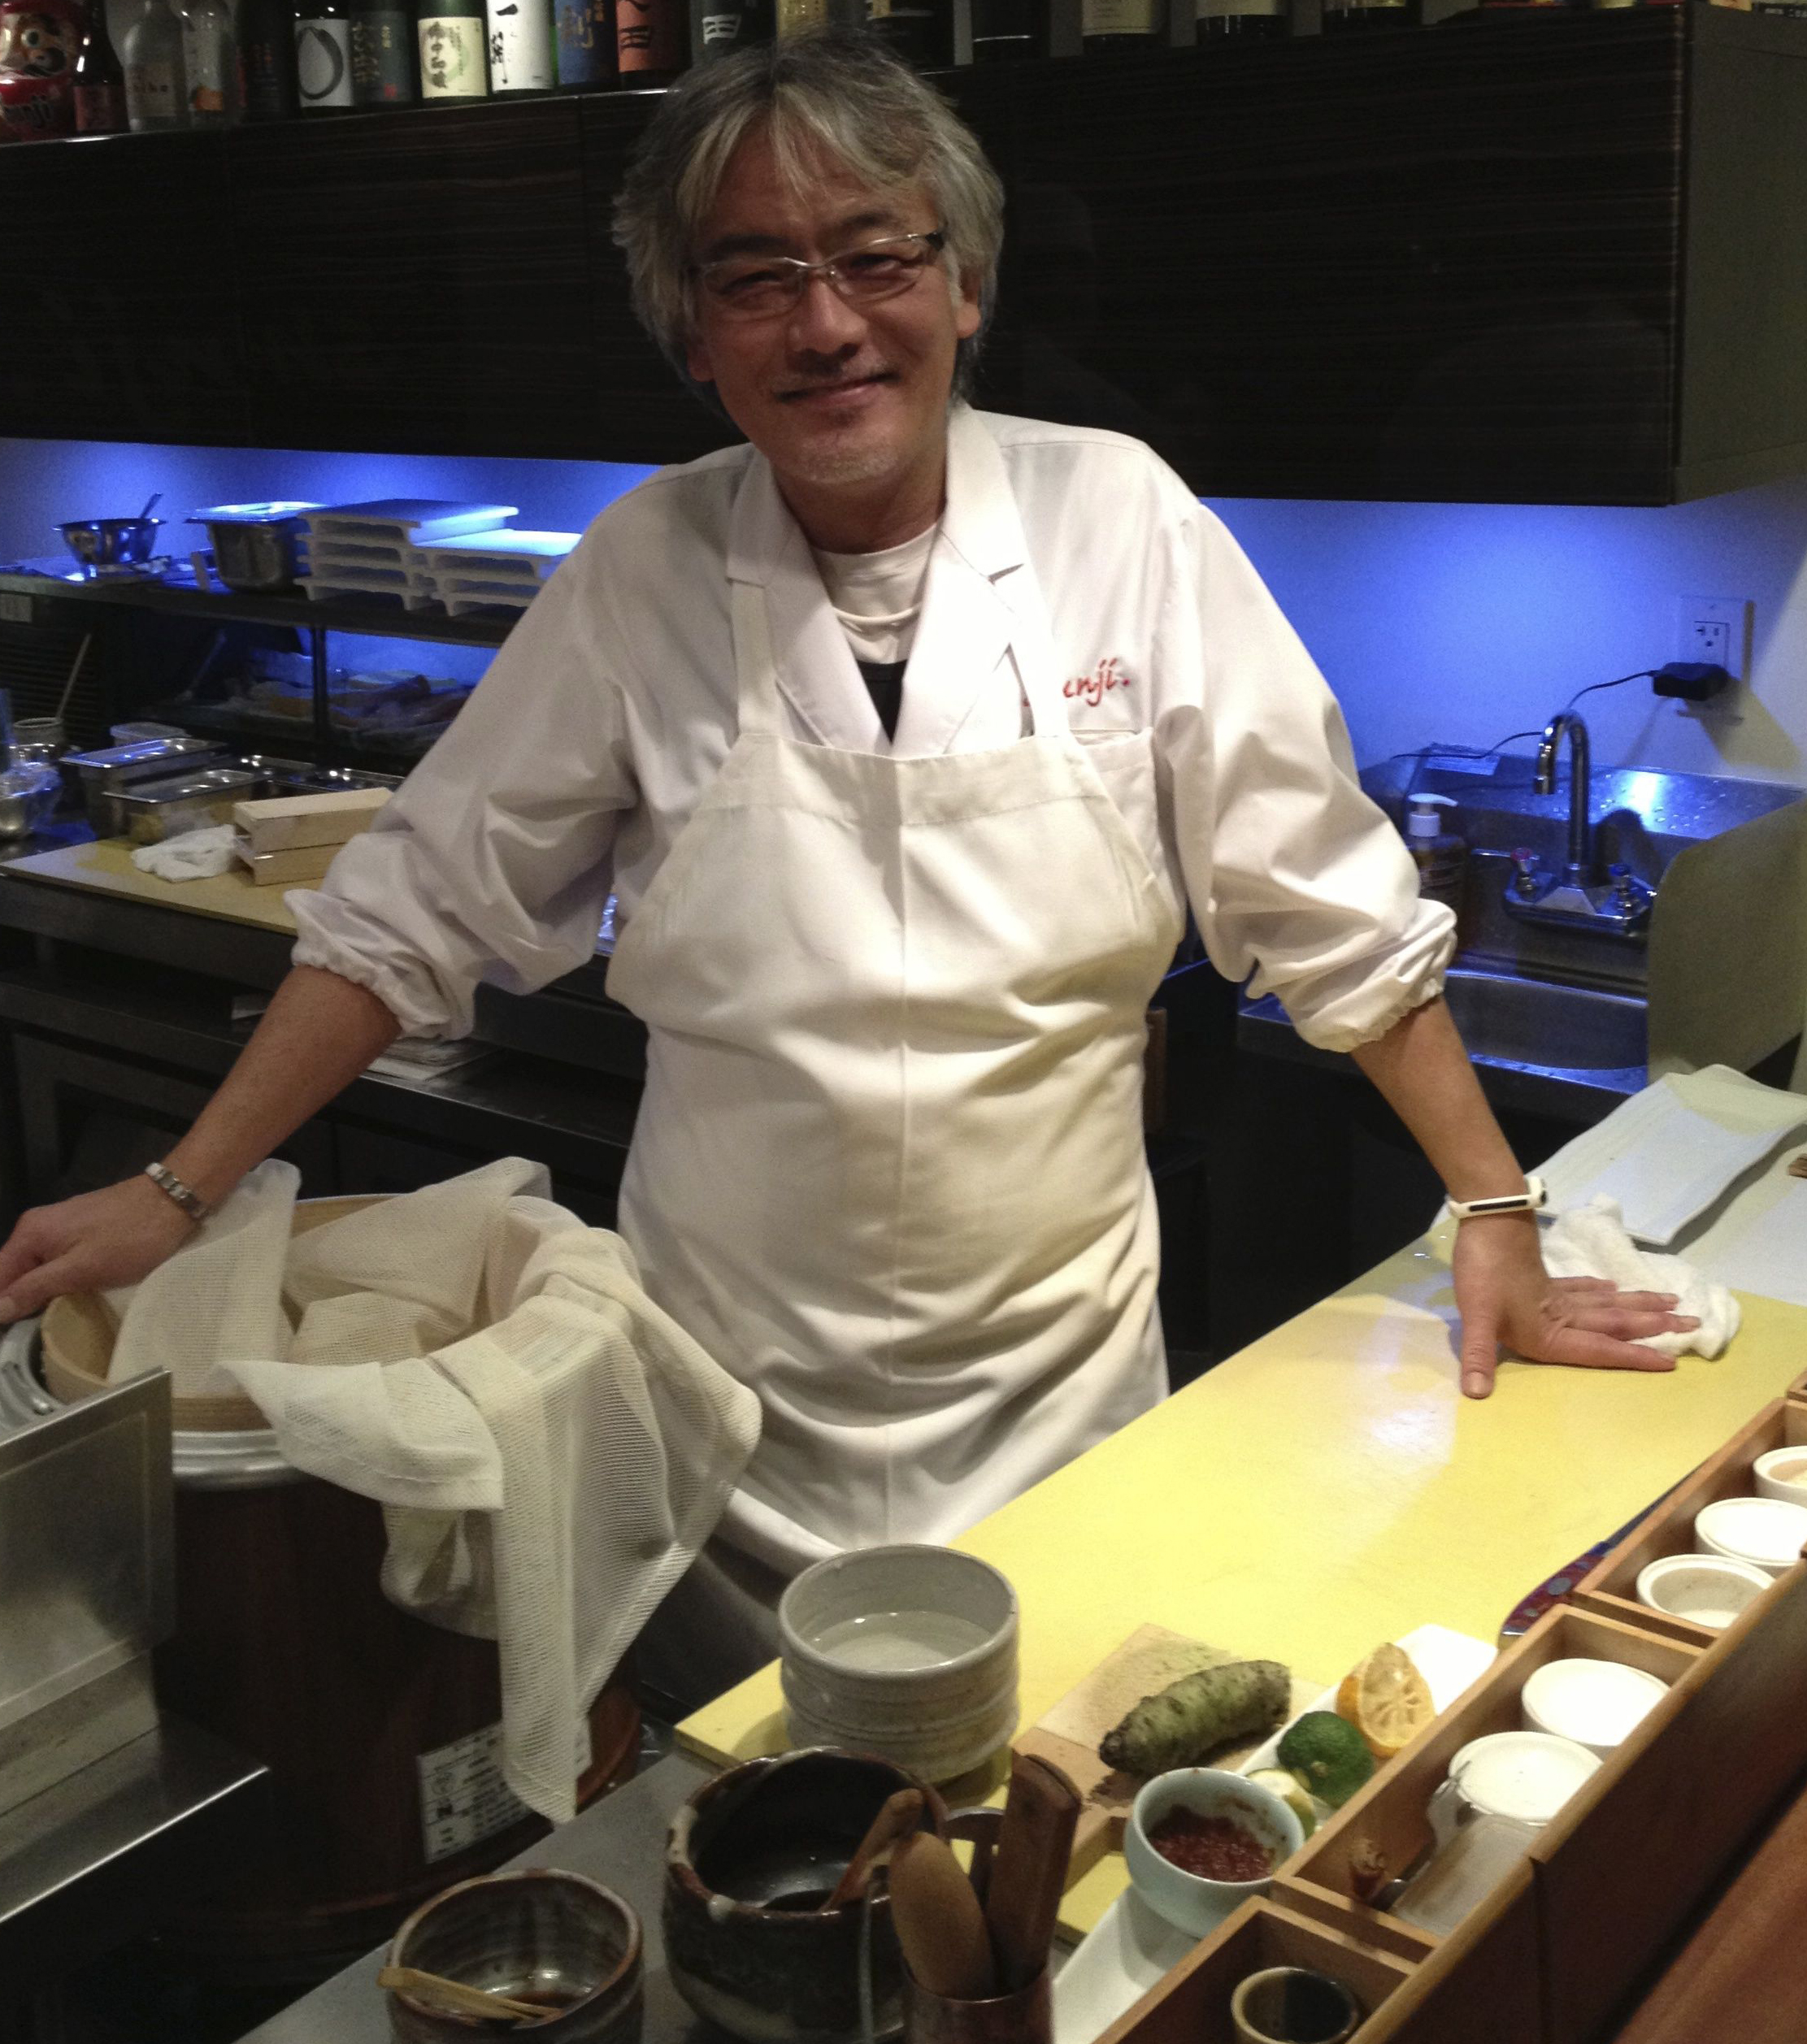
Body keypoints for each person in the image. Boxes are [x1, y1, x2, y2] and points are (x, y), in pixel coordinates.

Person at [0, 32, 1686, 1698]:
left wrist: (1493, 1214)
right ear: (691, 336)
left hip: (1060, 1387)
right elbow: (404, 913)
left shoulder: (1123, 521)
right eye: (755, 277)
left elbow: (1331, 912)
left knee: (1045, 1789)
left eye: (875, 257)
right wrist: (176, 1191)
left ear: (962, 286)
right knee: (744, 1807)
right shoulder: (639, 569)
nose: (825, 323)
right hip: (720, 1402)